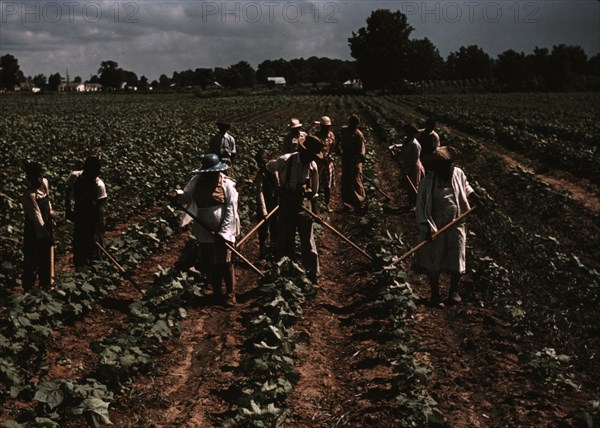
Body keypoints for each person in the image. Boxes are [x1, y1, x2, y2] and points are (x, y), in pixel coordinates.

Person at [168, 154, 240, 306]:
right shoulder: (197, 181)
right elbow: (187, 196)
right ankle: (217, 293)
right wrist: (177, 195)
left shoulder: (226, 184)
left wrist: (224, 232)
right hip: (204, 229)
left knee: (225, 262)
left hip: (224, 229)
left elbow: (230, 210)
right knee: (212, 262)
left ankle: (230, 294)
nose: (211, 175)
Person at [412, 146, 478, 307]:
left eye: (448, 166)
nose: (446, 169)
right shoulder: (428, 182)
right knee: (434, 257)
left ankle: (453, 292)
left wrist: (474, 195)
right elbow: (420, 206)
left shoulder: (458, 174)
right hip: (435, 225)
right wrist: (426, 227)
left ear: (451, 164)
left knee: (457, 255)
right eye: (441, 166)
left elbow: (466, 186)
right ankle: (435, 294)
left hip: (457, 221)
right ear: (436, 167)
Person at [266, 135, 323, 283]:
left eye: (314, 156)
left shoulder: (313, 166)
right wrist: (277, 186)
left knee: (308, 241)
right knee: (286, 239)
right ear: (304, 151)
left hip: (303, 204)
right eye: (311, 155)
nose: (312, 158)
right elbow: (269, 168)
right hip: (286, 202)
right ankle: (286, 274)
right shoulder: (286, 160)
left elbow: (314, 193)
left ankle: (313, 275)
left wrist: (316, 212)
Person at [65, 155, 107, 270]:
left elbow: (100, 209)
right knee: (79, 243)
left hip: (95, 214)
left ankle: (97, 268)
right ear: (85, 169)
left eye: (96, 173)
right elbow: (67, 192)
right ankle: (80, 268)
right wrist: (68, 211)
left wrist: (94, 231)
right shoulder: (75, 176)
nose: (94, 175)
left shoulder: (99, 185)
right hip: (80, 211)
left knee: (95, 244)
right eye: (91, 172)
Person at [21, 162, 54, 291]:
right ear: (28, 178)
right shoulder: (29, 196)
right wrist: (45, 235)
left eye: (39, 176)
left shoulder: (44, 183)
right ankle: (28, 288)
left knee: (46, 257)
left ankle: (46, 285)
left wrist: (51, 211)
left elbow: (48, 199)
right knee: (32, 259)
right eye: (34, 177)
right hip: (33, 229)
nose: (38, 180)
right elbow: (36, 218)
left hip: (46, 225)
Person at [337, 114, 366, 213]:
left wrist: (360, 158)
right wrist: (338, 147)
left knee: (356, 181)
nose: (353, 126)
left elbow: (362, 149)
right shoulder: (344, 130)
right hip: (346, 159)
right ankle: (347, 203)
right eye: (352, 124)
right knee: (346, 181)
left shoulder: (358, 135)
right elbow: (338, 139)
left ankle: (360, 202)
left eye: (355, 125)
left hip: (355, 161)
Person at [254, 148, 279, 259]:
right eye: (259, 163)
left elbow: (279, 188)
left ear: (268, 160)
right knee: (263, 230)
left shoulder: (275, 172)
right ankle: (263, 251)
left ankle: (275, 250)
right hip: (264, 204)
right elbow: (260, 193)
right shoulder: (260, 175)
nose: (262, 165)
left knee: (276, 226)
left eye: (264, 162)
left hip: (276, 204)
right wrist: (264, 211)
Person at [313, 116, 336, 212]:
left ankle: (327, 204)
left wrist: (329, 155)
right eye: (325, 126)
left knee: (327, 185)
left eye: (328, 127)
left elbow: (333, 145)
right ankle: (315, 205)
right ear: (321, 126)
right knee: (316, 184)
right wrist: (321, 158)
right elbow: (313, 150)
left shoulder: (331, 135)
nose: (327, 128)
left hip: (327, 162)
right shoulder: (316, 136)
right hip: (318, 162)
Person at [400, 124, 425, 207]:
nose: (406, 133)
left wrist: (407, 170)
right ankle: (410, 203)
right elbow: (403, 148)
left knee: (413, 186)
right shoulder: (405, 140)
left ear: (412, 133)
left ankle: (415, 205)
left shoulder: (415, 145)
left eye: (408, 132)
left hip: (414, 167)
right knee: (408, 186)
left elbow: (414, 160)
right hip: (407, 165)